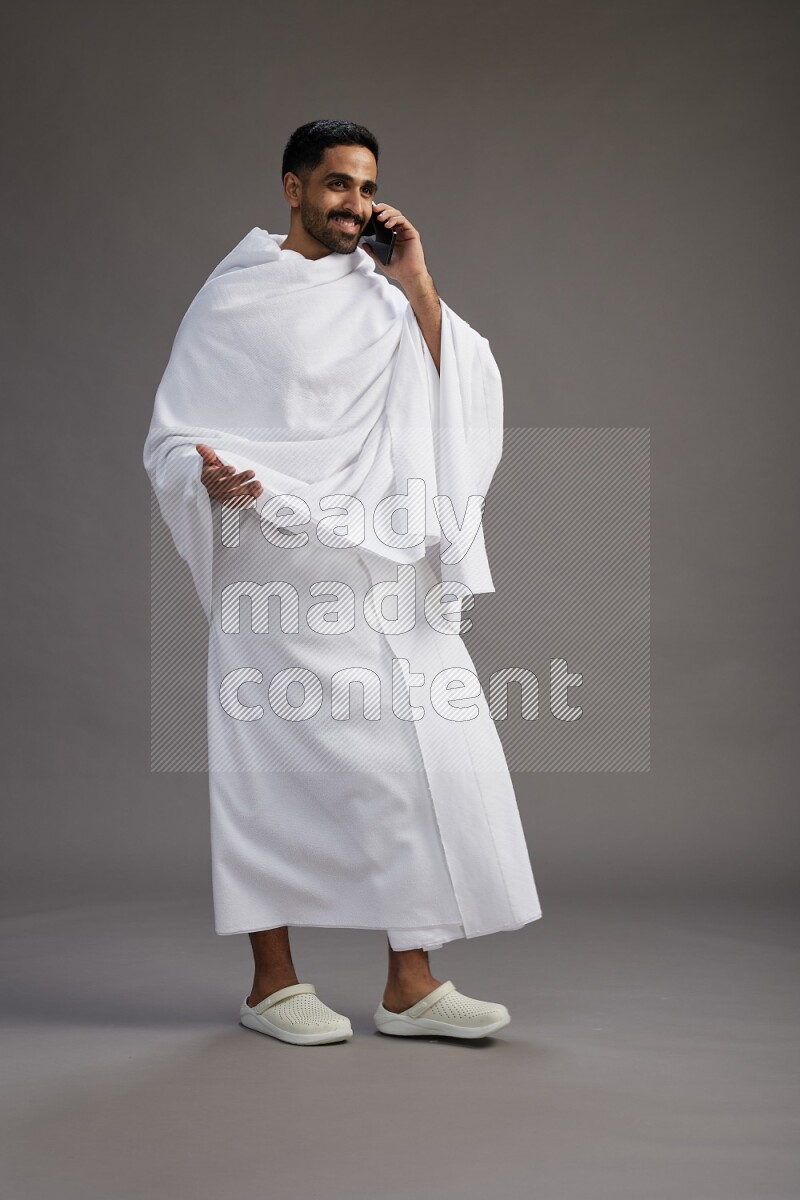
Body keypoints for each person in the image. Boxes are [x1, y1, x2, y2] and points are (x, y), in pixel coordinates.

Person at [143, 119, 542, 1046]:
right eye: (335, 186)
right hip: (271, 562)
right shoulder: (233, 302)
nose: (354, 206)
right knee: (265, 769)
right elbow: (171, 434)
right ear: (291, 187)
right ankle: (272, 984)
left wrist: (418, 283)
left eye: (365, 188)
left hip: (380, 562)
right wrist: (203, 478)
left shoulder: (389, 295)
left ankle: (411, 983)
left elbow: (462, 391)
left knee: (408, 765)